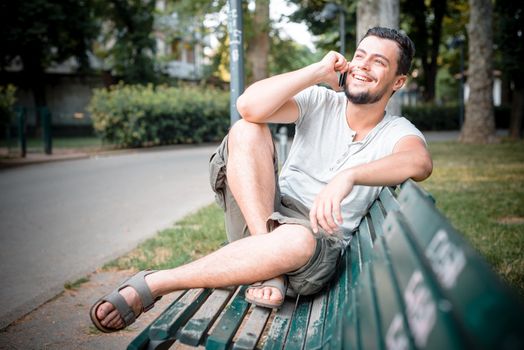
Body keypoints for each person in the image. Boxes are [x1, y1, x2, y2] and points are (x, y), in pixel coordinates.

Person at [90, 26, 432, 332]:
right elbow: (248, 106)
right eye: (360, 56)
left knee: (296, 241)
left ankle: (155, 283)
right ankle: (270, 265)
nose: (362, 65)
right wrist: (317, 71)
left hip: (312, 246)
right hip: (265, 212)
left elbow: (419, 161)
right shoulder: (320, 100)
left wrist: (349, 176)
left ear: (398, 82)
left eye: (378, 62)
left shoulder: (395, 131)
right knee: (246, 129)